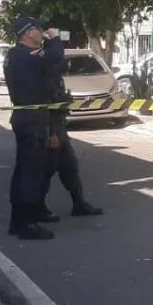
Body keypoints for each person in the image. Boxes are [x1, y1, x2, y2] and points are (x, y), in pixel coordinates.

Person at [2, 16, 62, 240]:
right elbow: (55, 58)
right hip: (32, 120)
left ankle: (18, 221)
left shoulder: (14, 56)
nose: (42, 32)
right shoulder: (28, 56)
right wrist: (55, 39)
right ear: (28, 33)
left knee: (22, 172)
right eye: (38, 29)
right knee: (31, 173)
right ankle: (26, 224)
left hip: (24, 117)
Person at [36, 46, 103, 222]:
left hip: (60, 127)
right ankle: (38, 207)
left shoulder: (55, 77)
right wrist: (51, 133)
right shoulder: (43, 78)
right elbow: (43, 109)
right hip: (51, 129)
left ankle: (79, 203)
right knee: (46, 171)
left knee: (70, 166)